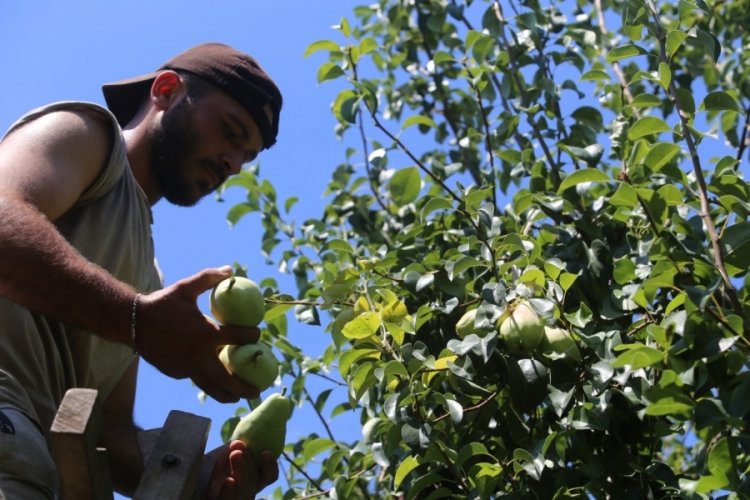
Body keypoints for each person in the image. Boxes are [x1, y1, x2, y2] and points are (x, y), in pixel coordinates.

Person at [0, 42, 283, 499]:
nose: (233, 162)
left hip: (43, 471)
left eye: (246, 157)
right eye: (230, 131)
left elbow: (110, 435)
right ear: (167, 90)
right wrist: (135, 317)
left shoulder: (146, 273)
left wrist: (203, 482)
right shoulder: (88, 134)